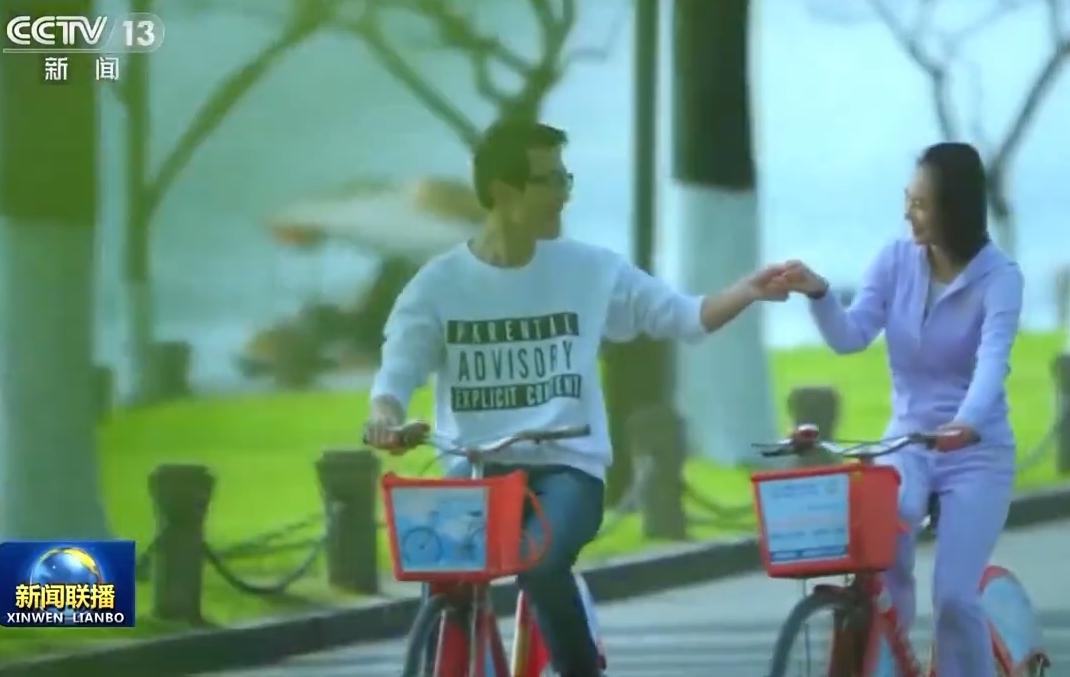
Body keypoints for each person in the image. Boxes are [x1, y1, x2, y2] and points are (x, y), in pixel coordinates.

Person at [361, 120, 790, 677]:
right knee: (443, 575)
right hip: (475, 470)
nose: (563, 194)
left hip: (566, 469)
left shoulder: (589, 270)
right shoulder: (437, 286)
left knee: (540, 566)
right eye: (550, 180)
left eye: (566, 178)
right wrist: (386, 418)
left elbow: (684, 316)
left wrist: (749, 289)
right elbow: (397, 372)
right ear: (504, 191)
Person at [774, 142, 1023, 677]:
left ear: (955, 209)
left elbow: (992, 363)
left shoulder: (1000, 278)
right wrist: (818, 293)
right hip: (907, 442)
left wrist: (967, 422)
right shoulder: (895, 260)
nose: (908, 213)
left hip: (975, 452)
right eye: (908, 199)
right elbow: (851, 335)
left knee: (954, 598)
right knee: (880, 554)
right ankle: (889, 654)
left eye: (921, 204)